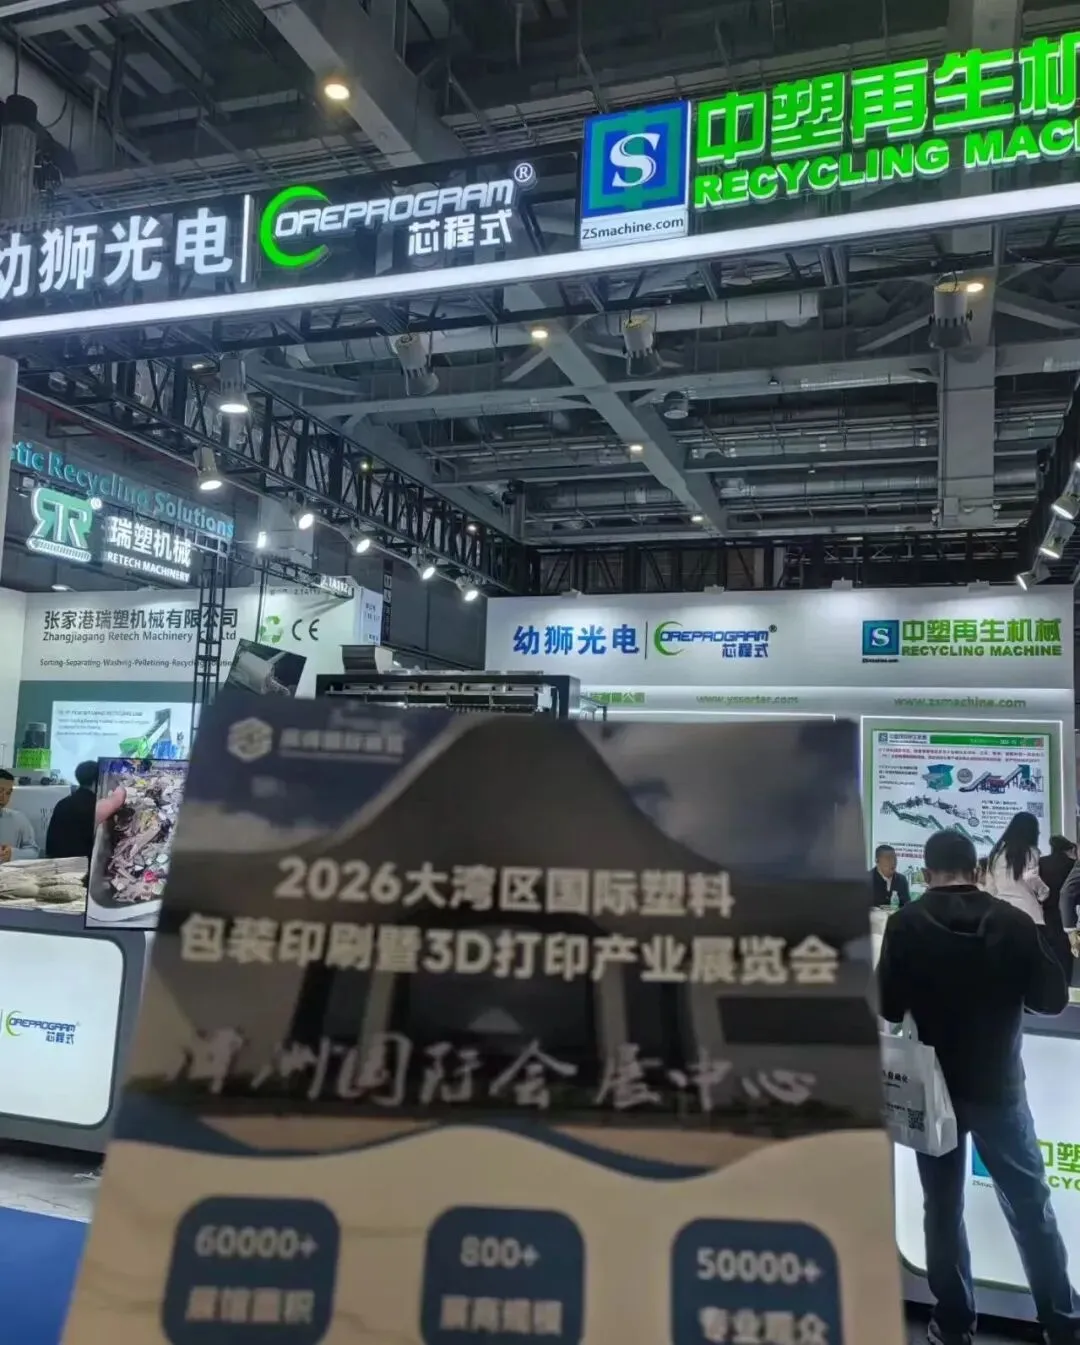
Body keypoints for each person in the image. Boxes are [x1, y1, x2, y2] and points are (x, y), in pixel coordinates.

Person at [878, 829, 1077, 1345]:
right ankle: (1061, 1324)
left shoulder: (905, 924)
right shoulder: (1011, 922)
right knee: (1030, 1207)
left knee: (942, 1211)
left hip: (933, 1090)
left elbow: (887, 1005)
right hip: (1000, 1087)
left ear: (926, 873)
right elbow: (1052, 999)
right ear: (977, 870)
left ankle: (953, 1323)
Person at [985, 811, 1050, 924]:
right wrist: (1043, 892)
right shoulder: (1030, 852)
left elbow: (990, 886)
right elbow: (1030, 877)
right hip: (1027, 911)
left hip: (1001, 910)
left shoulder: (996, 854)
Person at [45, 761, 99, 860]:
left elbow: (51, 844)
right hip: (87, 864)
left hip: (62, 863)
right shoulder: (97, 806)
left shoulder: (63, 803)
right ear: (97, 780)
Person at [0, 768, 39, 862]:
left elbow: (34, 851)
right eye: (0, 791)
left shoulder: (18, 819)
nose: (3, 797)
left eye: (8, 793)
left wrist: (13, 854)